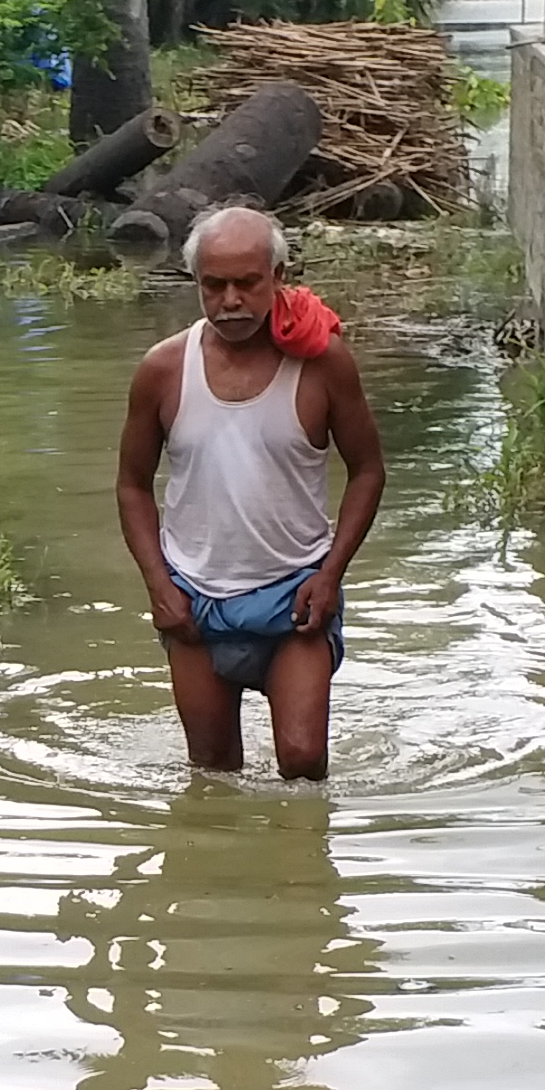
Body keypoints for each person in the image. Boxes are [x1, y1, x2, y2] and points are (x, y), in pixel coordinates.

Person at [113, 204, 387, 780]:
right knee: (213, 773)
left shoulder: (323, 364)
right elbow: (132, 485)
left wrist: (330, 574)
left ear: (278, 278)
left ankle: (298, 867)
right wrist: (159, 586)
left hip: (295, 596)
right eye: (214, 286)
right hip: (194, 599)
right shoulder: (163, 369)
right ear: (196, 285)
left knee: (303, 760)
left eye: (247, 283)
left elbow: (367, 470)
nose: (231, 300)